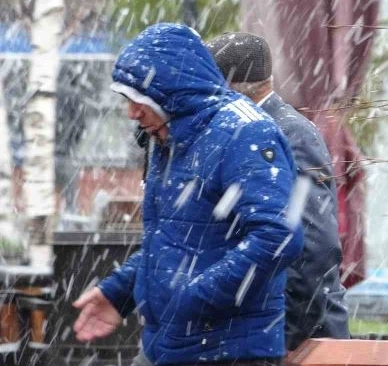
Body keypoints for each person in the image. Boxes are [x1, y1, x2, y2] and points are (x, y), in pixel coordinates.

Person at [72, 23, 303, 366]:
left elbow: (278, 236)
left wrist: (196, 297)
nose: (132, 112)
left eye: (138, 100)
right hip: (170, 344)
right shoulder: (167, 137)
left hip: (226, 351)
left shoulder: (244, 131)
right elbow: (174, 239)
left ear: (170, 92)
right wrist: (119, 292)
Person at [206, 32, 349, 351]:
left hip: (300, 335)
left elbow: (312, 246)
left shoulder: (289, 134)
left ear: (226, 87)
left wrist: (287, 339)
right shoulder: (257, 129)